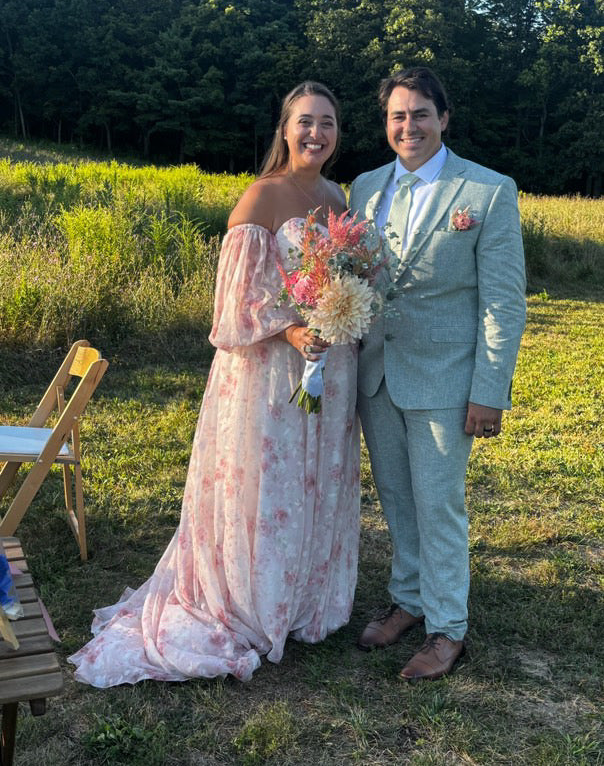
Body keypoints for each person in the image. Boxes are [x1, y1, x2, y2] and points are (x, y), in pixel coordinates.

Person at [68, 81, 360, 686]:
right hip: (268, 372)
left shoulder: (338, 198)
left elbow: (344, 281)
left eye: (327, 123)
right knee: (269, 484)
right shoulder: (260, 200)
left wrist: (343, 316)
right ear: (284, 129)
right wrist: (292, 334)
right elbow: (233, 309)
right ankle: (251, 599)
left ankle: (302, 596)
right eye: (305, 121)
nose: (316, 134)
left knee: (313, 482)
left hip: (329, 369)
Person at [349, 67, 526, 680]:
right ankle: (408, 599)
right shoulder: (364, 189)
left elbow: (503, 301)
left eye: (420, 113)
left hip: (448, 382)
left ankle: (448, 628)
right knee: (397, 501)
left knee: (439, 504)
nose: (409, 126)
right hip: (377, 376)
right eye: (398, 115)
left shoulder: (487, 191)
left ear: (443, 118)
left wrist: (489, 390)